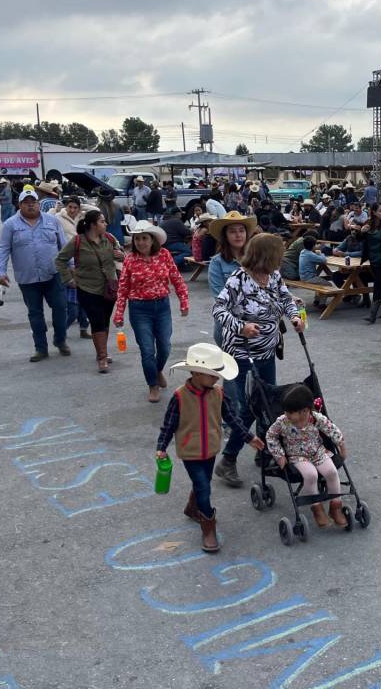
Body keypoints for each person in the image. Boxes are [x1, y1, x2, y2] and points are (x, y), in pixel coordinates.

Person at [212, 233, 306, 487]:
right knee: (248, 408)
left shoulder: (273, 276)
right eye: (279, 254)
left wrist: (294, 317)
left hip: (266, 351)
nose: (281, 259)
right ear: (266, 255)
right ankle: (228, 460)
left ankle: (264, 452)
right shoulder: (238, 280)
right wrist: (241, 326)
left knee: (269, 402)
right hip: (241, 353)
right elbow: (218, 309)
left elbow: (285, 299)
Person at [156, 343, 261, 552]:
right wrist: (161, 447)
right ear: (196, 373)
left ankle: (192, 508)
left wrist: (249, 437)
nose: (216, 378)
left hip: (211, 448)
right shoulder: (179, 396)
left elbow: (232, 418)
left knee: (203, 481)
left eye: (217, 374)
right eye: (212, 374)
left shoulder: (219, 393)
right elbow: (169, 424)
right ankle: (208, 526)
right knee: (204, 486)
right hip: (190, 452)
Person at [113, 219, 189, 403]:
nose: (141, 242)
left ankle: (157, 369)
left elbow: (176, 278)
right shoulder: (130, 259)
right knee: (147, 349)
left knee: (165, 346)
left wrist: (183, 301)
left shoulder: (164, 254)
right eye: (137, 239)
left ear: (153, 239)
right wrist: (119, 313)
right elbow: (123, 287)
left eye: (144, 238)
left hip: (162, 306)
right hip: (139, 309)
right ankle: (153, 385)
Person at [0, 188, 71, 362]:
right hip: (27, 278)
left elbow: (64, 246)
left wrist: (71, 266)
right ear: (20, 205)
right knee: (35, 314)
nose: (30, 205)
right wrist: (0, 271)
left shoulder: (52, 221)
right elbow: (3, 248)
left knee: (61, 308)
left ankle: (60, 340)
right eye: (26, 203)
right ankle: (40, 348)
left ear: (38, 203)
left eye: (33, 202)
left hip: (53, 274)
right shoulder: (11, 224)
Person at [266, 383, 348, 529]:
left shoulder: (315, 418)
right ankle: (317, 508)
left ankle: (335, 507)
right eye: (286, 412)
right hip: (297, 456)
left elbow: (331, 429)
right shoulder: (282, 422)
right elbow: (271, 436)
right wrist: (279, 455)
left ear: (305, 411)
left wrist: (341, 444)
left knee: (332, 472)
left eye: (290, 412)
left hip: (318, 451)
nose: (287, 415)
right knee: (311, 475)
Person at [55, 209, 124, 373]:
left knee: (105, 320)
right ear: (92, 225)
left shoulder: (109, 239)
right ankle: (102, 357)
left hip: (109, 287)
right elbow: (60, 260)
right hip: (87, 288)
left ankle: (102, 352)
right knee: (97, 320)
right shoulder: (78, 241)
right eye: (102, 221)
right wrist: (68, 279)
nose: (105, 224)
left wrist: (121, 255)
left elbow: (122, 256)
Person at [207, 211, 257, 345]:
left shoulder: (256, 259)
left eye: (241, 230)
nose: (238, 235)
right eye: (232, 231)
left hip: (256, 324)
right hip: (228, 326)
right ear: (225, 236)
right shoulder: (217, 262)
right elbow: (219, 297)